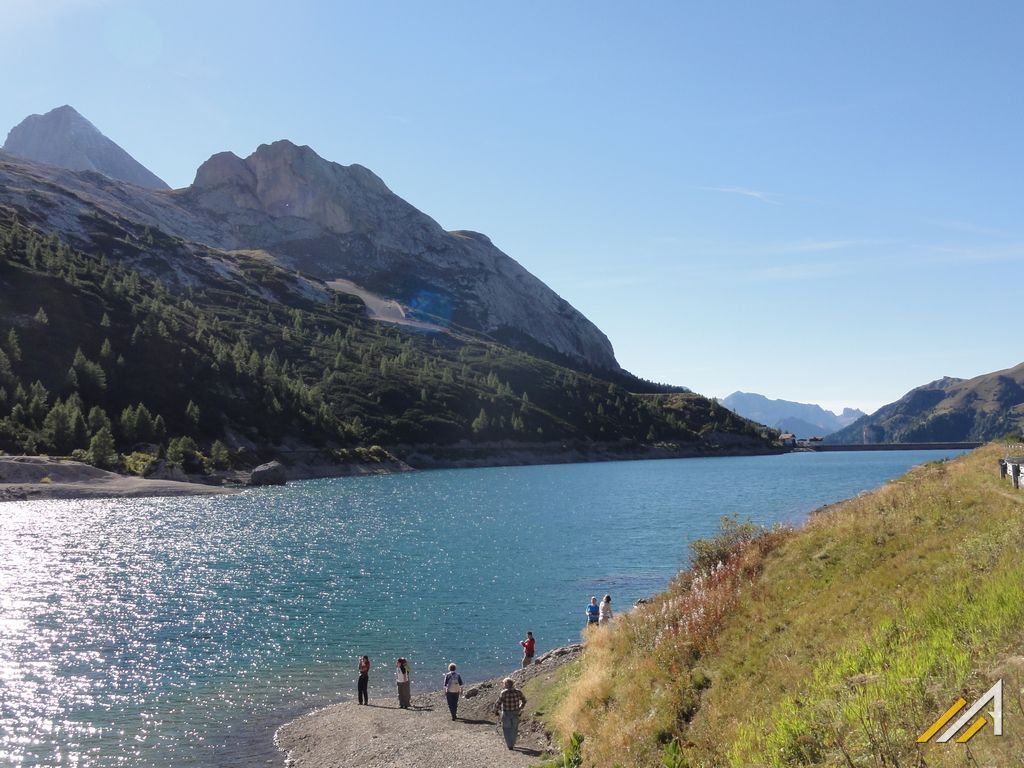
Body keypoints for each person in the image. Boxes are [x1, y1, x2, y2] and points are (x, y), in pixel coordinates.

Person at [493, 676, 528, 750]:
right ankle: (513, 742)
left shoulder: (504, 693)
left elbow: (498, 703)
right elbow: (524, 700)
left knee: (506, 729)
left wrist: (495, 711)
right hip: (515, 712)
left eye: (504, 684)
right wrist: (520, 707)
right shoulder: (518, 691)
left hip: (506, 713)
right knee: (514, 728)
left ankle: (509, 744)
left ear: (506, 684)